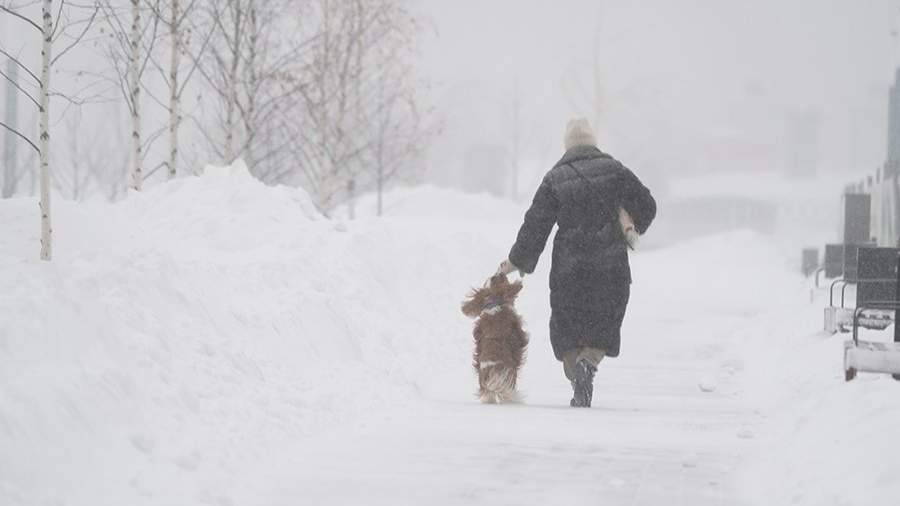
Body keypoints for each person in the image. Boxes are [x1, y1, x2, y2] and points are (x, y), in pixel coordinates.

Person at [497, 118, 656, 407]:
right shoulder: (615, 170)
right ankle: (589, 362)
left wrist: (516, 261)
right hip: (610, 264)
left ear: (567, 146)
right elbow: (647, 205)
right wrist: (629, 220)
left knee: (567, 324)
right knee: (606, 317)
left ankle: (575, 371)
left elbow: (536, 226)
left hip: (569, 267)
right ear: (592, 142)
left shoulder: (555, 178)